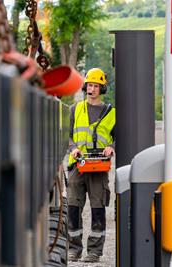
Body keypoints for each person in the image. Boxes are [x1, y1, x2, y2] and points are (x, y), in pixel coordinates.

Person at [67, 68, 116, 263]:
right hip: (77, 166)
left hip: (98, 167)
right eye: (89, 85)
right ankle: (74, 249)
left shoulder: (111, 113)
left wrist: (111, 147)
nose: (92, 89)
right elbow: (67, 135)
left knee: (97, 208)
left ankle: (94, 251)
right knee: (72, 207)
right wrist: (73, 148)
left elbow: (117, 137)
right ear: (85, 86)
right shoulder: (75, 109)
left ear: (101, 88)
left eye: (96, 86)